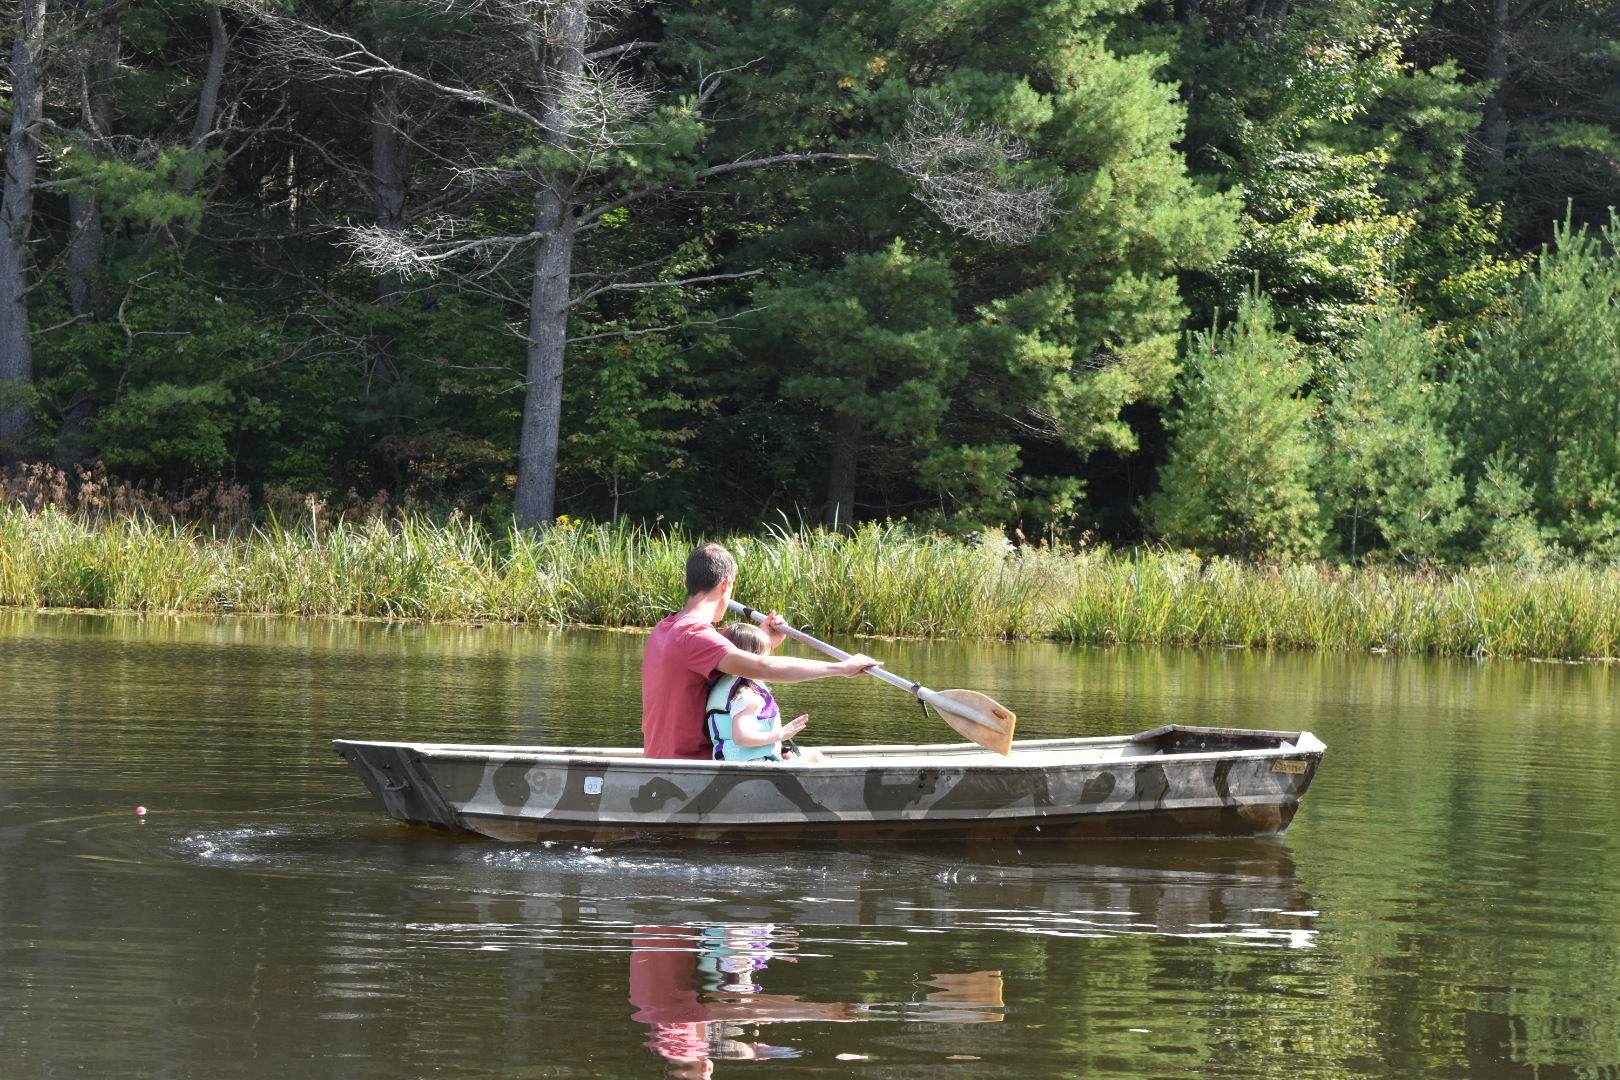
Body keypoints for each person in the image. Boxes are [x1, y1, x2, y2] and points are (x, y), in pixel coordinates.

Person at [641, 542, 880, 760]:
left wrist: (763, 641)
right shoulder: (694, 635)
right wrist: (842, 667)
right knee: (814, 758)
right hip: (693, 764)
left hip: (661, 758)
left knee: (803, 756)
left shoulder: (665, 628)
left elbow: (730, 662)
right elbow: (763, 668)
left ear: (687, 585)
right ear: (726, 584)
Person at [705, 623, 827, 764]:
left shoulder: (725, 683)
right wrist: (781, 734)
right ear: (754, 659)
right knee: (815, 757)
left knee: (808, 754)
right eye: (765, 658)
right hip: (754, 766)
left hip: (738, 762)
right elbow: (742, 737)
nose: (768, 663)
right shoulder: (746, 697)